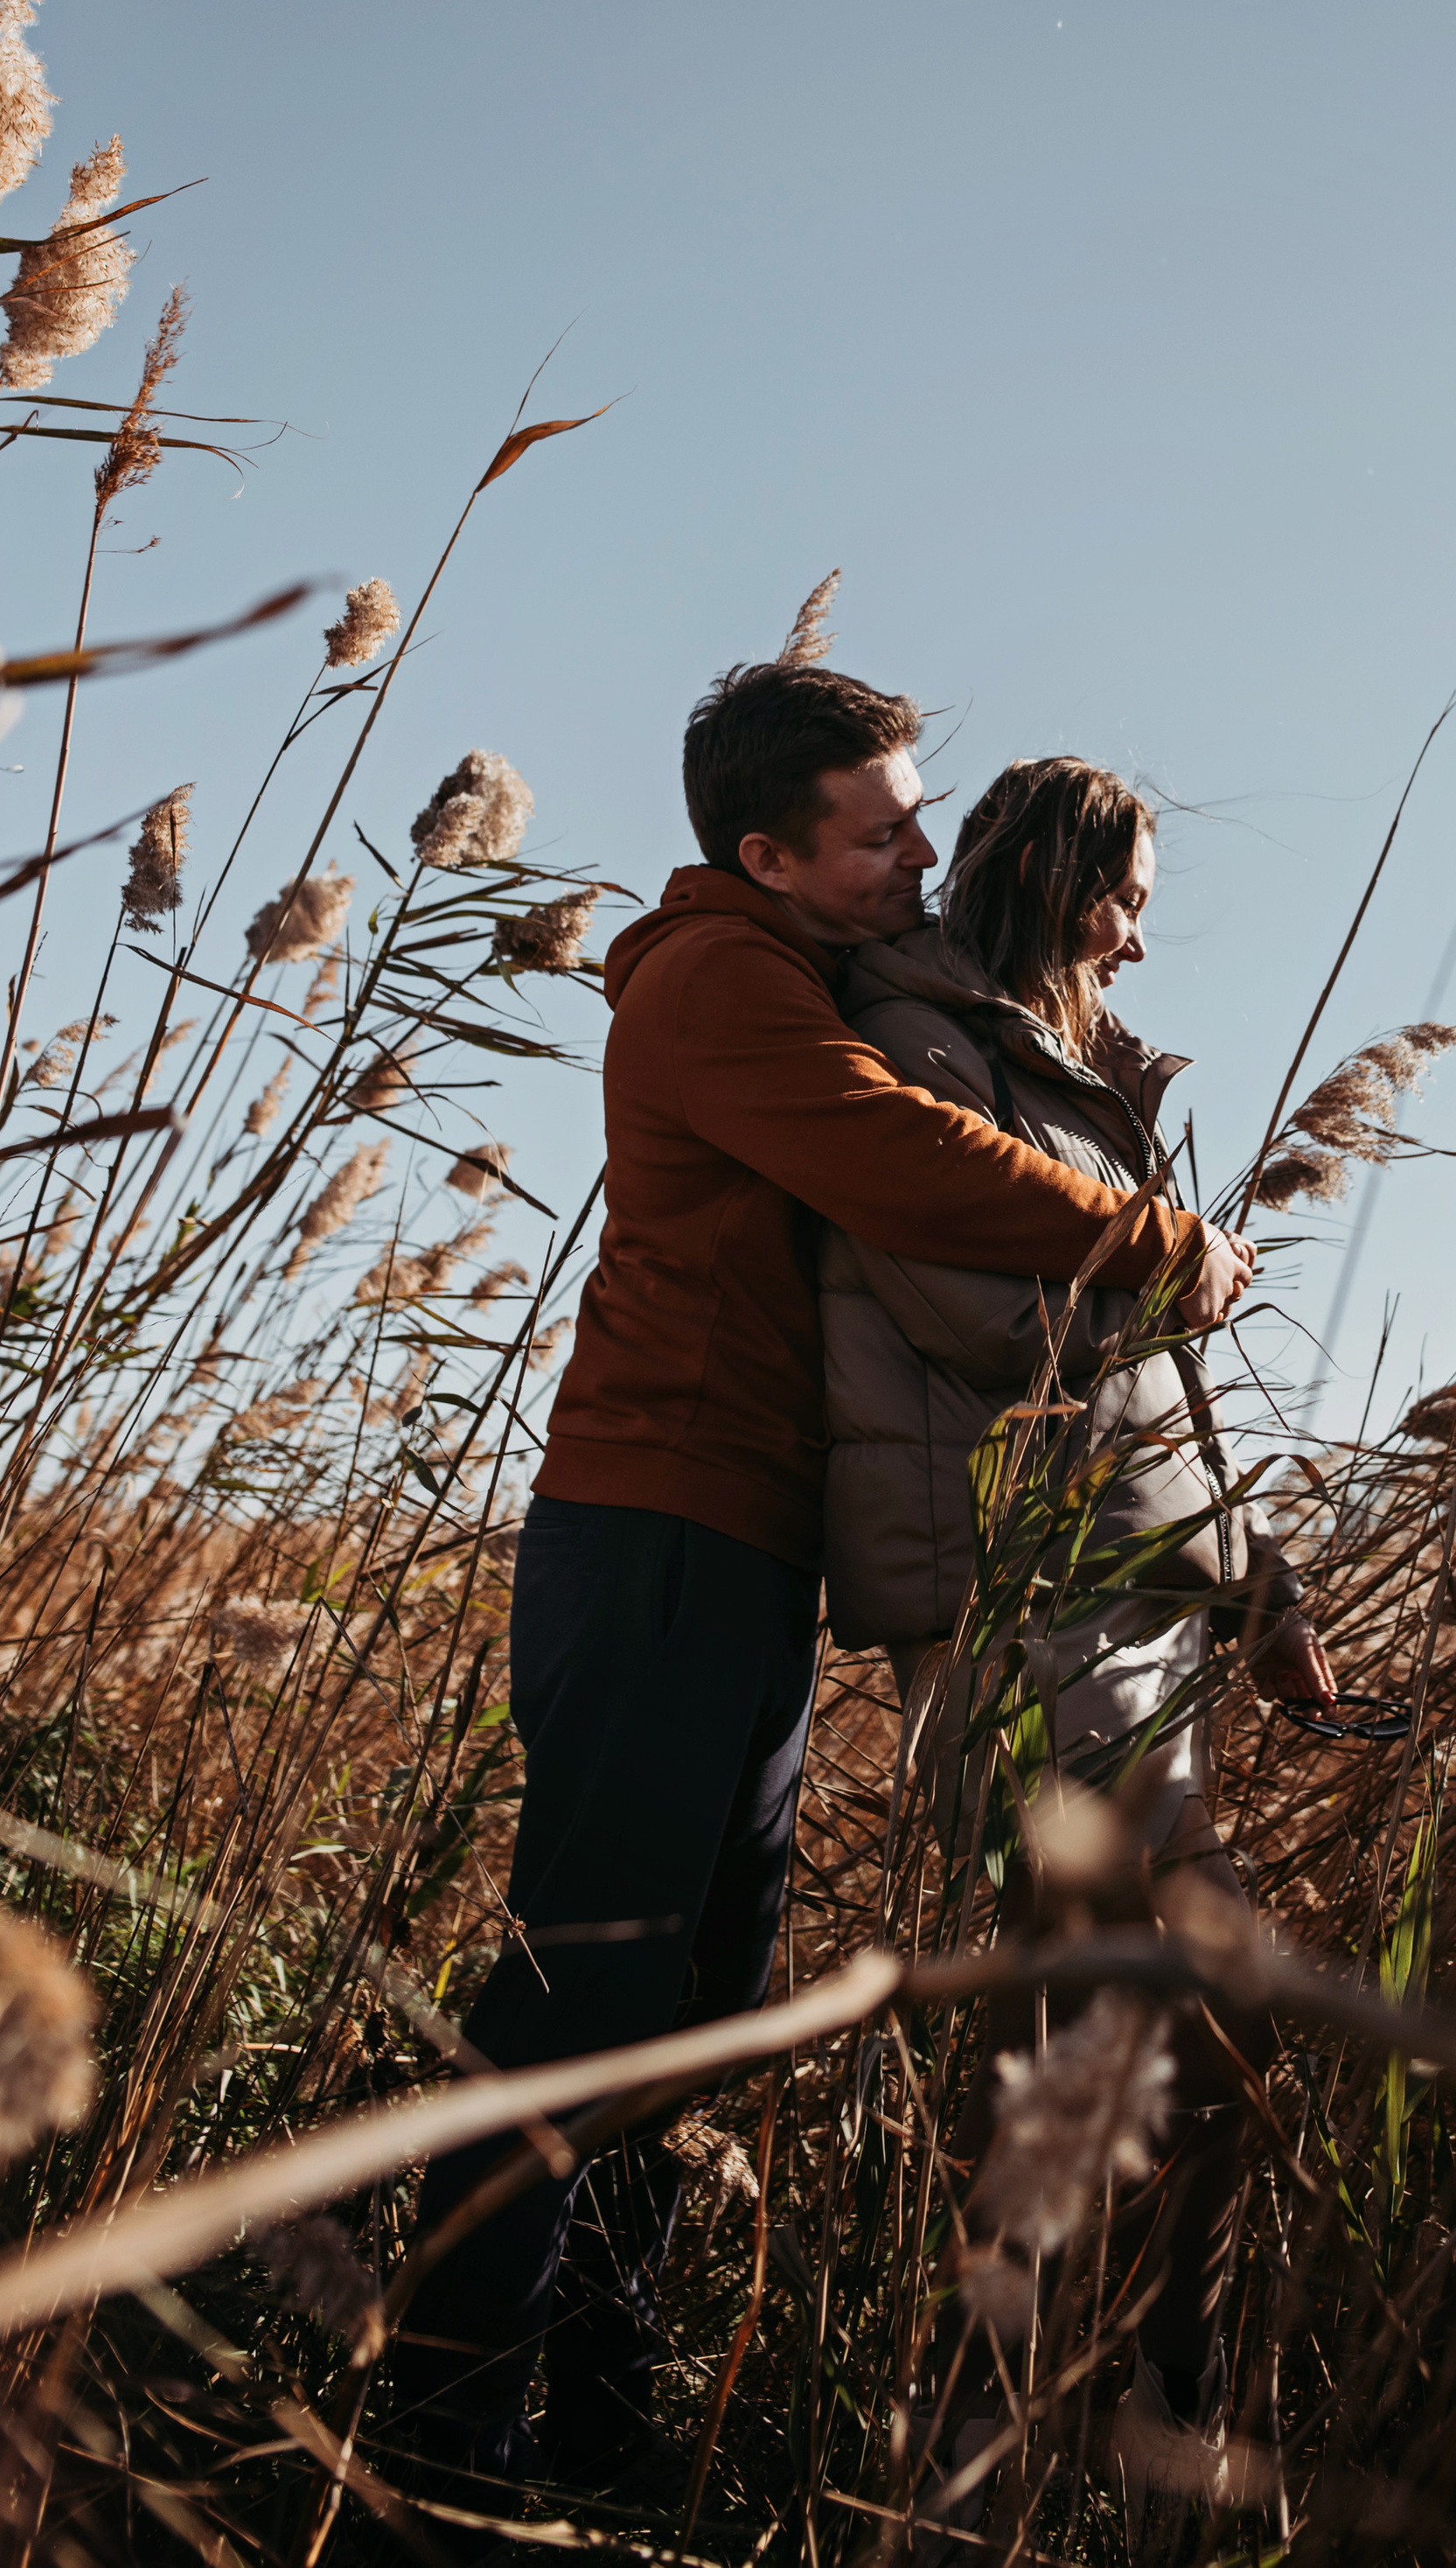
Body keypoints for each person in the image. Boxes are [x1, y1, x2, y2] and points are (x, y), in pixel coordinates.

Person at [387, 669, 1255, 2509]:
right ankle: (443, 2430)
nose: (921, 853)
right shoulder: (721, 981)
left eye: (922, 815)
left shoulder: (793, 971)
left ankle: (597, 2428)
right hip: (658, 1526)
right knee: (584, 1992)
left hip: (747, 1546)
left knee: (689, 2003)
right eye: (881, 829)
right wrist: (1160, 1239)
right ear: (770, 853)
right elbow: (896, 1156)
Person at [818, 756, 1334, 2551]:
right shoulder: (912, 1034)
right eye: (1122, 887)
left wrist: (1259, 1585)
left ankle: (1150, 2423)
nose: (1138, 923)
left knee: (1205, 2015)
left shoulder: (1084, 1086)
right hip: (1011, 1585)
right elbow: (964, 1300)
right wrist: (1174, 1266)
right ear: (1051, 881)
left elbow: (1160, 1376)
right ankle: (975, 2474)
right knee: (1086, 2036)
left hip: (1137, 1585)